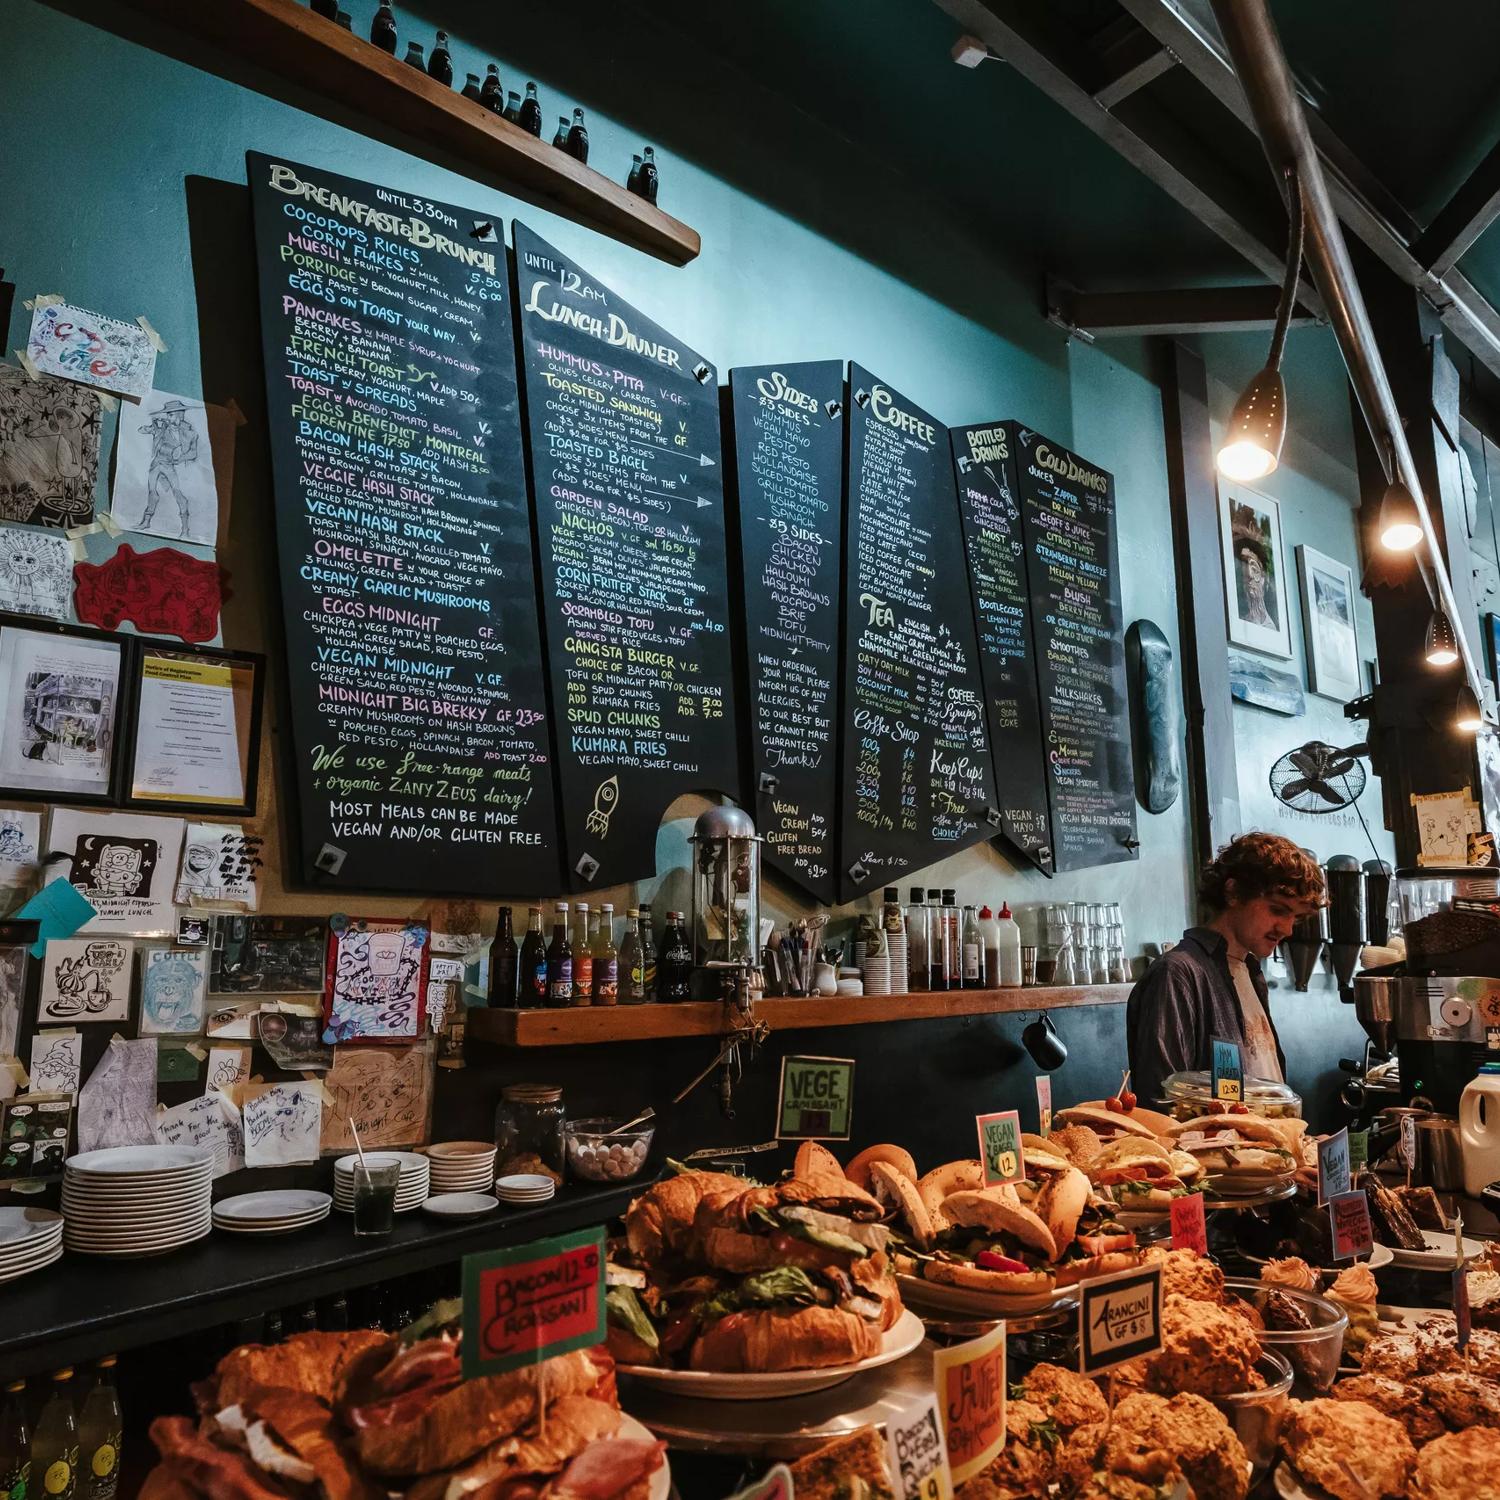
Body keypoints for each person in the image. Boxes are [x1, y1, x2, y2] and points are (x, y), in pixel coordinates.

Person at [1126, 833, 1325, 1109]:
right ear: (1233, 892)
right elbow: (1162, 1104)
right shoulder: (1177, 974)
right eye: (1278, 910)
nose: (1288, 929)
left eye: (1296, 917)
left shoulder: (1248, 970)